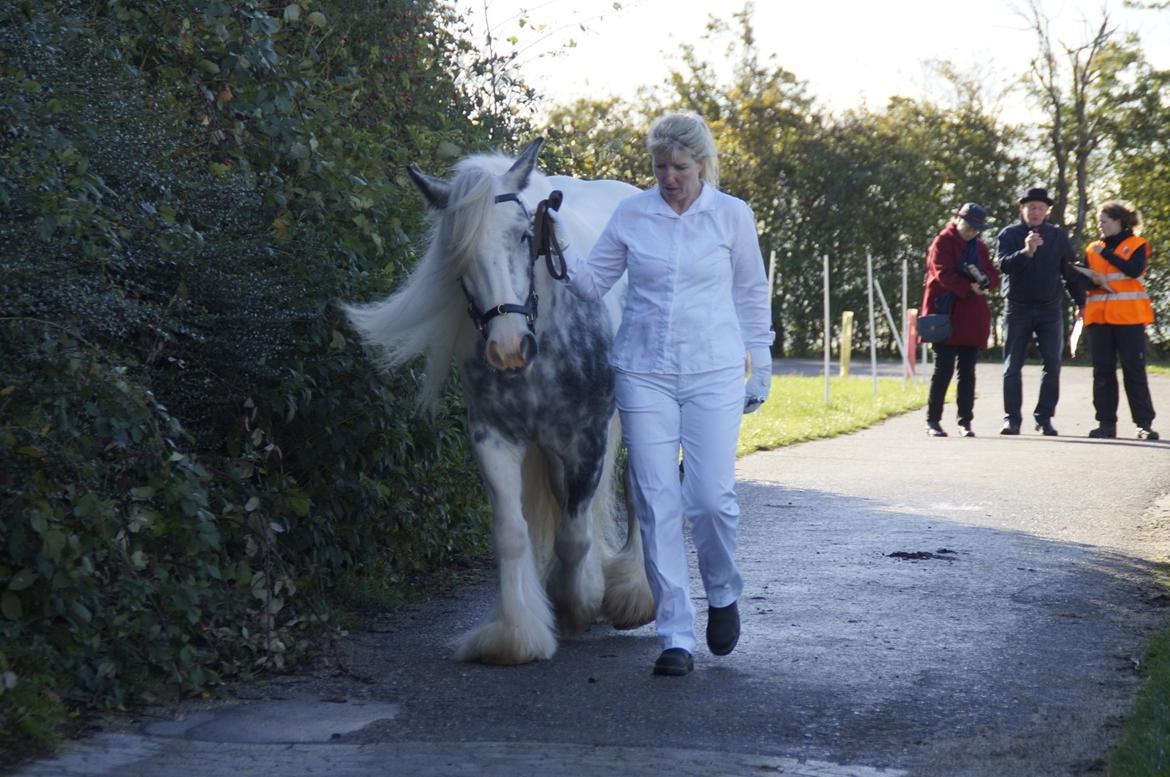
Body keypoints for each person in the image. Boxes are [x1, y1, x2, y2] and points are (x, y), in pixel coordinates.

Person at [552, 111, 774, 676]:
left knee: (709, 499)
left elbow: (751, 291)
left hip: (714, 371)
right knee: (655, 500)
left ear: (702, 164)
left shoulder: (731, 217)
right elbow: (591, 283)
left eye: (679, 167)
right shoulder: (633, 214)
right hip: (643, 371)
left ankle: (722, 592)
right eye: (659, 167)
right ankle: (675, 634)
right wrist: (555, 243)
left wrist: (763, 361)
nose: (668, 177)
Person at [996, 187, 1086, 436]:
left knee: (1053, 365)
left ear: (1047, 211)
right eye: (1031, 207)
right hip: (1017, 309)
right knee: (1012, 366)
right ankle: (1011, 419)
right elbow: (1004, 266)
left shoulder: (1057, 236)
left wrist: (1081, 303)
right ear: (1022, 209)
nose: (1036, 212)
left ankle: (1044, 418)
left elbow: (1069, 273)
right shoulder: (1009, 234)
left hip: (1049, 310)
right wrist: (1026, 252)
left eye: (1040, 208)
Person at [1079, 200, 1159, 440]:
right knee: (1102, 372)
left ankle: (1143, 424)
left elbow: (1134, 270)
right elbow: (1082, 280)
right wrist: (1086, 280)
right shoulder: (1092, 248)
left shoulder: (1137, 244)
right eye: (1098, 222)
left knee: (1133, 371)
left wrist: (1108, 254)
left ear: (1119, 221)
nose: (1100, 226)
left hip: (1129, 319)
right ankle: (1106, 424)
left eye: (1104, 221)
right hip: (1098, 319)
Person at [920, 203, 1002, 437]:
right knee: (943, 369)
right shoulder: (942, 242)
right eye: (968, 226)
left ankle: (965, 422)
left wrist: (985, 280)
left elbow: (993, 274)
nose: (971, 231)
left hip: (971, 317)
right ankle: (933, 421)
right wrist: (969, 287)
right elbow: (942, 273)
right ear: (957, 220)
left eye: (976, 228)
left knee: (967, 372)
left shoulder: (980, 248)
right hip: (945, 313)